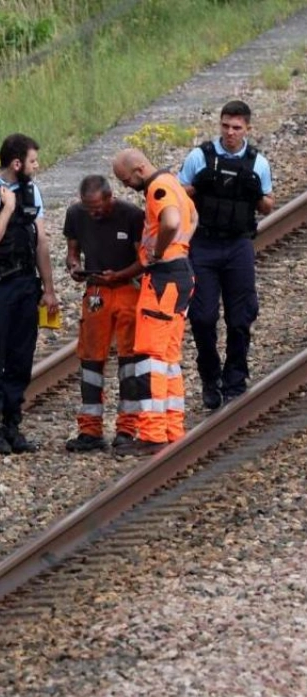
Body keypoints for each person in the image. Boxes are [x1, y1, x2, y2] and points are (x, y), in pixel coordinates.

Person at [0, 133, 59, 455]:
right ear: (16, 164)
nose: (37, 166)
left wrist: (48, 289)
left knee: (20, 357)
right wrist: (7, 209)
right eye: (32, 161)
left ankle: (12, 424)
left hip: (24, 284)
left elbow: (41, 241)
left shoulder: (32, 191)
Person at [177, 100, 274, 409]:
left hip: (238, 245)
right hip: (203, 244)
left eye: (236, 128)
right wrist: (197, 187)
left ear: (247, 129)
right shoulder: (199, 157)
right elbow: (177, 195)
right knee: (203, 317)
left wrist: (256, 191)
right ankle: (210, 376)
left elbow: (267, 205)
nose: (230, 133)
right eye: (225, 126)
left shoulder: (257, 162)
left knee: (240, 316)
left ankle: (235, 377)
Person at [112, 148, 197, 455]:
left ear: (138, 168)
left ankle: (151, 433)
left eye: (125, 179)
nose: (125, 186)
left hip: (163, 278)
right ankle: (173, 428)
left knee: (150, 357)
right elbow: (193, 216)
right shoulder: (172, 182)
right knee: (169, 358)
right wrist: (180, 247)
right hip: (181, 273)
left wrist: (160, 252)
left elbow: (172, 221)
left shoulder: (157, 188)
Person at [63, 175, 146, 452]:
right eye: (88, 207)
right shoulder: (76, 214)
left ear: (110, 197)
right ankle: (90, 429)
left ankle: (127, 428)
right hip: (96, 291)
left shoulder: (132, 216)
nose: (93, 212)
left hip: (127, 290)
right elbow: (72, 251)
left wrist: (119, 275)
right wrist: (74, 266)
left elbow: (144, 260)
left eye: (97, 206)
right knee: (90, 359)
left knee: (130, 359)